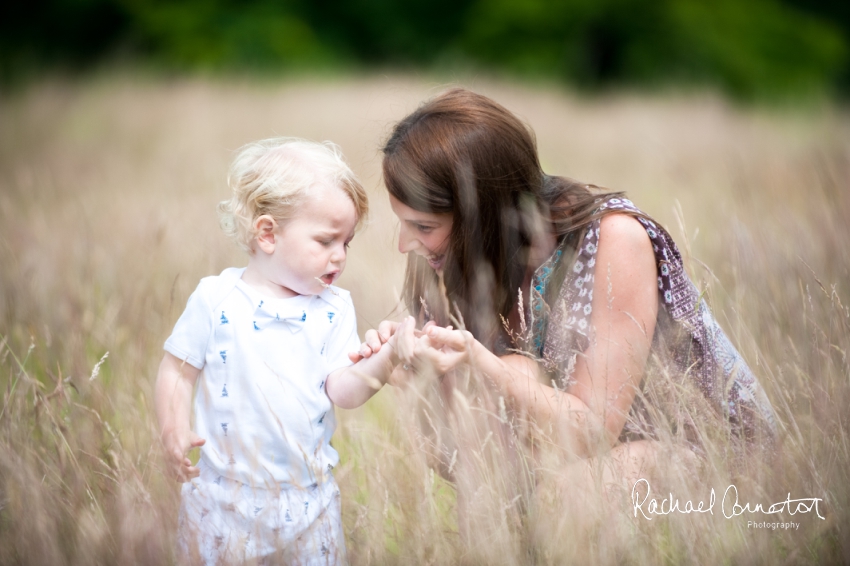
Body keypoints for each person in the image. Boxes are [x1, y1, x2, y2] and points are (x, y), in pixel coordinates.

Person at [355, 88, 776, 475]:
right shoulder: (453, 255)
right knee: (507, 386)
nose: (404, 244)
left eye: (423, 226)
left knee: (564, 495)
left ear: (478, 215)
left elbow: (592, 431)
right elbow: (456, 455)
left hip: (704, 455)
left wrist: (475, 361)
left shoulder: (614, 239)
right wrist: (409, 370)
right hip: (580, 456)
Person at [154, 137, 400, 565]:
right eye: (325, 241)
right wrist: (173, 427)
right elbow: (178, 370)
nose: (339, 256)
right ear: (267, 233)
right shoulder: (217, 299)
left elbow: (341, 389)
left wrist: (388, 357)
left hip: (308, 501)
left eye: (347, 242)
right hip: (222, 498)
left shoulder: (334, 308)